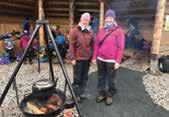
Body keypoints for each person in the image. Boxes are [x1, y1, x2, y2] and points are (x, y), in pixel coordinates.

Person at [92, 9, 125, 105]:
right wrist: (94, 57)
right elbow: (97, 44)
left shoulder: (119, 31)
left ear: (113, 19)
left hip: (111, 60)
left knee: (112, 79)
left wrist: (118, 61)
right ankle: (102, 93)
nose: (108, 19)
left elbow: (120, 47)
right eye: (107, 18)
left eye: (110, 17)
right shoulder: (101, 30)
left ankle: (110, 94)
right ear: (105, 19)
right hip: (100, 59)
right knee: (101, 77)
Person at [69, 12, 94, 102]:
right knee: (77, 77)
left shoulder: (90, 31)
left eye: (87, 20)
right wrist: (72, 58)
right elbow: (71, 45)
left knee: (85, 77)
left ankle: (82, 92)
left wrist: (93, 57)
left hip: (87, 59)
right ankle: (76, 95)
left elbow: (93, 45)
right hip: (78, 59)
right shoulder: (74, 31)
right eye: (84, 19)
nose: (85, 21)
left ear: (89, 21)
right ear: (81, 19)